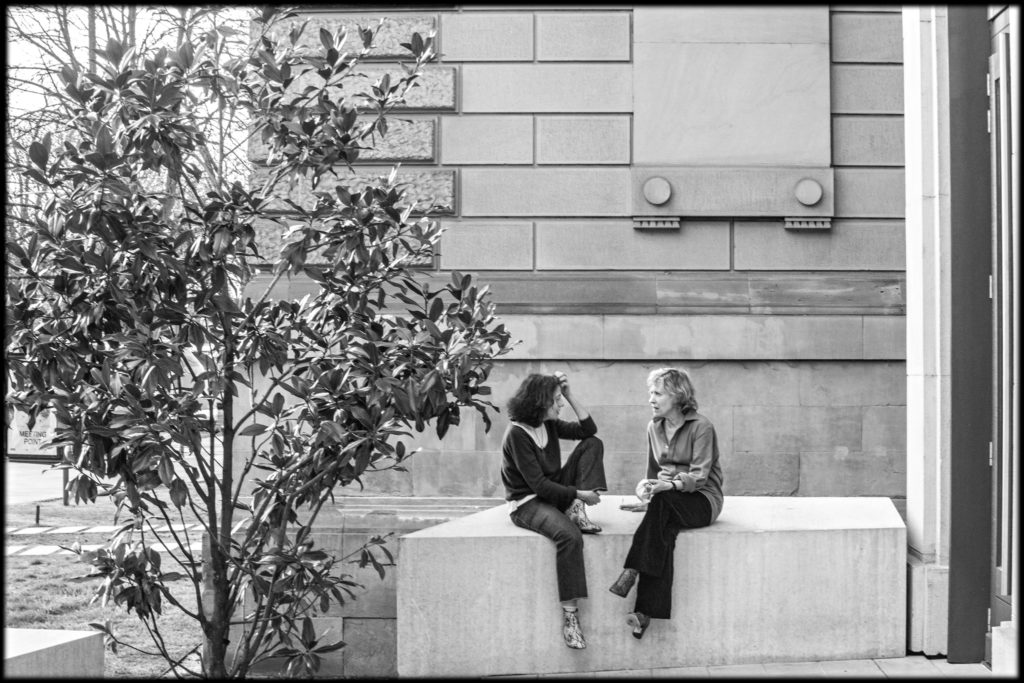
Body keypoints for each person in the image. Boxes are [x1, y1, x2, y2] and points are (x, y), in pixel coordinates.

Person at [608, 367, 724, 639]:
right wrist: (645, 492)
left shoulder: (702, 427)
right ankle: (643, 613)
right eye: (650, 392)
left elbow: (700, 477)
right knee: (663, 534)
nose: (651, 398)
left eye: (657, 393)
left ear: (677, 395)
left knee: (664, 504)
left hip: (703, 500)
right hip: (667, 501)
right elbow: (652, 472)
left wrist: (668, 487)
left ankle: (633, 568)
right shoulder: (653, 427)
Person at [501, 371, 607, 650]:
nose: (560, 405)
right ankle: (570, 618)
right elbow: (539, 486)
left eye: (561, 399)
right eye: (556, 400)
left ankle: (575, 510)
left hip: (552, 492)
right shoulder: (517, 434)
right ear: (540, 402)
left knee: (593, 444)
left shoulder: (547, 424)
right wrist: (579, 493)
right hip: (527, 504)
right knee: (570, 537)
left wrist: (570, 394)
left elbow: (588, 431)